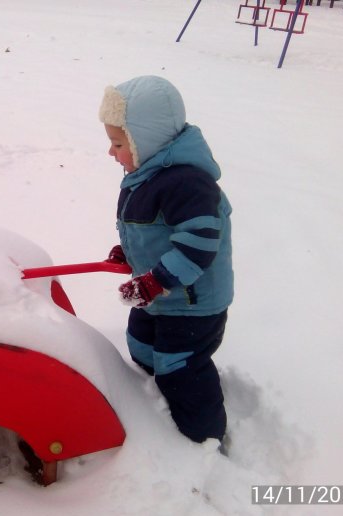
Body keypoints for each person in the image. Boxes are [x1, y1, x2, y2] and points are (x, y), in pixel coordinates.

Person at [99, 76, 233, 447]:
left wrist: (153, 282)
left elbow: (197, 246)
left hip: (193, 303)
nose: (112, 152)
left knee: (180, 366)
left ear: (147, 140)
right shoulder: (146, 174)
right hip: (159, 292)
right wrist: (130, 253)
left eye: (118, 143)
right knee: (140, 344)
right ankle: (150, 389)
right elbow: (155, 231)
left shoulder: (188, 184)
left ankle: (204, 436)